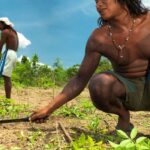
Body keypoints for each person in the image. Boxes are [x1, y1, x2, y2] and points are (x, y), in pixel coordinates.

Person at [30, 0, 150, 132]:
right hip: (127, 91)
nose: (98, 5)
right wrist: (48, 109)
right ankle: (123, 116)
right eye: (96, 1)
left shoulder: (148, 22)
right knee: (99, 83)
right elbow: (80, 79)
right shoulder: (99, 37)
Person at [0, 17, 18, 98]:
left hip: (8, 54)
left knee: (6, 77)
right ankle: (8, 99)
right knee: (7, 76)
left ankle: (8, 99)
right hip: (14, 54)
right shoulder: (13, 32)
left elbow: (0, 45)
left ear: (3, 23)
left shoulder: (5, 31)